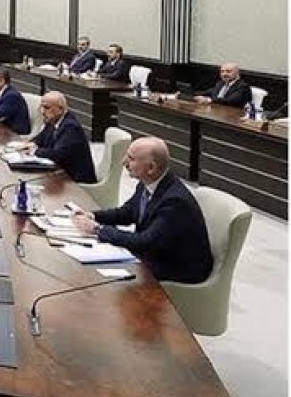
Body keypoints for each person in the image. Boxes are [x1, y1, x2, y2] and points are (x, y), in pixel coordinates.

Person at [73, 138, 213, 283]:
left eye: (131, 158)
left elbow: (145, 241)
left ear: (151, 168)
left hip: (177, 269)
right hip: (155, 255)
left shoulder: (175, 202)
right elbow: (126, 213)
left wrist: (98, 230)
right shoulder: (147, 183)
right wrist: (93, 215)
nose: (124, 162)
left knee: (107, 275)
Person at [22, 92, 96, 183]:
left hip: (76, 180)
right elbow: (41, 138)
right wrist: (31, 143)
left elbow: (57, 154)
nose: (42, 112)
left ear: (60, 109)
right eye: (41, 107)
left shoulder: (70, 127)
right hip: (60, 173)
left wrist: (34, 151)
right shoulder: (53, 120)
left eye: (46, 108)